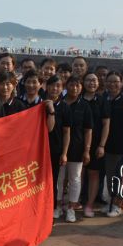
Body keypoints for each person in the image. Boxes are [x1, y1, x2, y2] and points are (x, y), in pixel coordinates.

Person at [101, 72, 123, 218]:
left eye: (116, 82)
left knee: (120, 176)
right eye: (109, 81)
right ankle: (112, 201)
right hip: (106, 144)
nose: (112, 84)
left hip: (121, 144)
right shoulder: (104, 98)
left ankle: (117, 204)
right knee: (110, 175)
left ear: (121, 83)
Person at [59, 76, 93, 223]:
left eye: (77, 85)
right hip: (59, 147)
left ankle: (71, 208)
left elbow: (88, 130)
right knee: (59, 179)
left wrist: (87, 150)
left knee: (75, 179)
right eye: (71, 85)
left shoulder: (85, 105)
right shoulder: (59, 102)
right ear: (66, 86)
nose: (74, 88)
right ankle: (58, 206)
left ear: (81, 87)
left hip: (77, 147)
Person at [81, 72, 110, 218]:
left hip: (96, 143)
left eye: (94, 80)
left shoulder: (102, 101)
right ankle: (74, 202)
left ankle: (89, 204)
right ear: (83, 82)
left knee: (93, 174)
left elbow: (106, 124)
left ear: (98, 83)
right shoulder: (77, 98)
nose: (91, 83)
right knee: (77, 174)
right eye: (88, 80)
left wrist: (102, 145)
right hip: (77, 142)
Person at [46, 76, 71, 220]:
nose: (55, 89)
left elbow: (67, 132)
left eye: (58, 86)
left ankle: (53, 207)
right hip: (39, 150)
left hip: (56, 149)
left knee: (53, 180)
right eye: (52, 85)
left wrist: (64, 153)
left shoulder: (65, 107)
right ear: (46, 86)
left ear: (62, 89)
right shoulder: (40, 103)